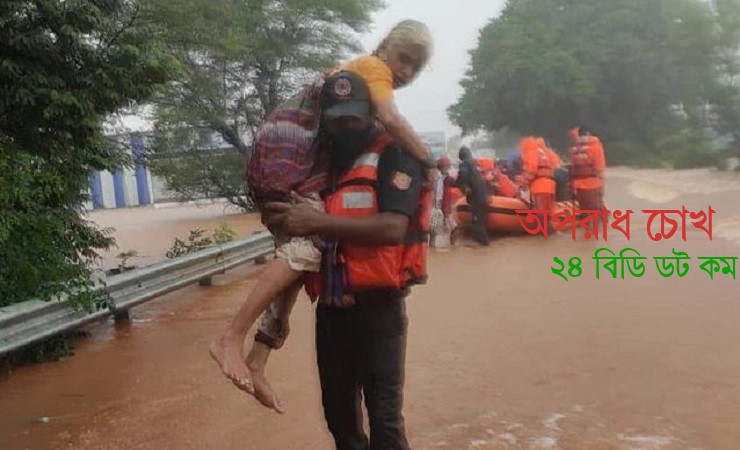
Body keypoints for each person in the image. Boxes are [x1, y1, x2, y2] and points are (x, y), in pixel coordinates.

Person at [209, 19, 436, 411]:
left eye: (416, 68)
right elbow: (393, 119)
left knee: (297, 263)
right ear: (385, 47)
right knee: (310, 245)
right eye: (405, 59)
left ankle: (259, 358)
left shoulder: (361, 90)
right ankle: (231, 335)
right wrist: (428, 161)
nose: (407, 72)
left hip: (280, 150)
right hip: (286, 153)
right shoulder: (373, 70)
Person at [265, 70, 431, 449]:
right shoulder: (321, 165)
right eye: (337, 119)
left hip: (379, 312)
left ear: (371, 114)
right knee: (339, 422)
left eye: (354, 117)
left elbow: (393, 227)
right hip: (332, 313)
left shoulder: (396, 155)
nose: (346, 126)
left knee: (385, 423)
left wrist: (318, 221)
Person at [517, 136, 561, 213]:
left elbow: (532, 171)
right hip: (551, 186)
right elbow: (556, 166)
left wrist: (523, 181)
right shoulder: (548, 153)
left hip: (540, 187)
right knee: (548, 213)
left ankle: (545, 224)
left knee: (542, 213)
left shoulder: (531, 153)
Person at [456, 146, 489, 246]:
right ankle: (482, 244)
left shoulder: (465, 164)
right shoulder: (475, 165)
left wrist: (464, 186)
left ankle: (483, 243)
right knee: (480, 221)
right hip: (483, 195)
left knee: (477, 222)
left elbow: (463, 175)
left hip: (477, 197)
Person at [569, 125, 606, 211]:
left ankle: (587, 222)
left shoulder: (574, 149)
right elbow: (600, 167)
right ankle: (596, 223)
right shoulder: (595, 147)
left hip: (578, 185)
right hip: (593, 184)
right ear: (589, 134)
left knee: (584, 209)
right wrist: (602, 182)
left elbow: (572, 167)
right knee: (595, 209)